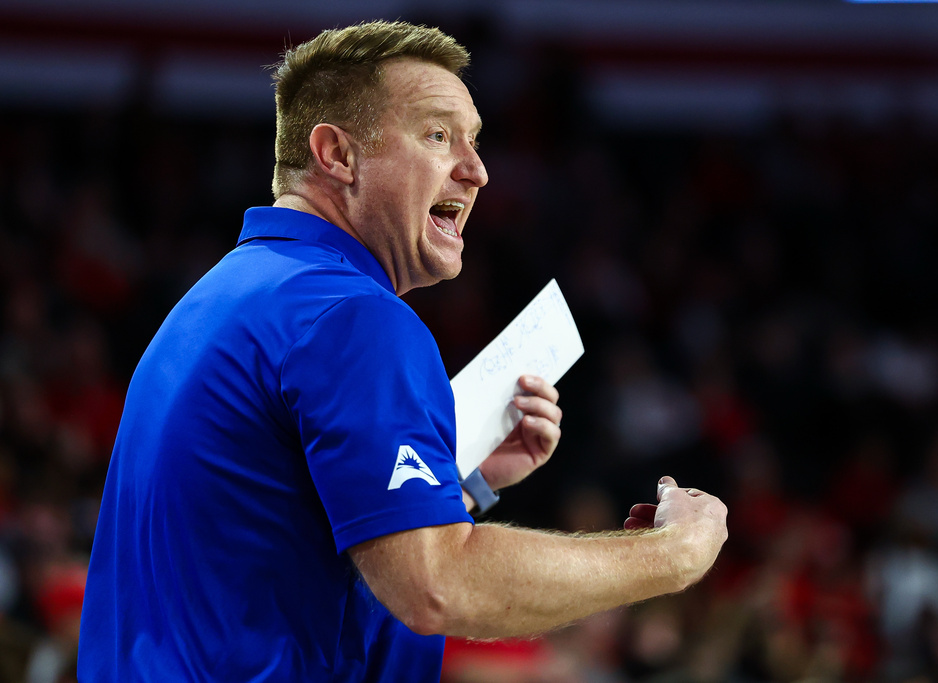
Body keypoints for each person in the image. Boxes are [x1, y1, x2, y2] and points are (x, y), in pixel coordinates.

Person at [78, 20, 728, 683]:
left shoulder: (223, 296)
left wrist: (463, 479)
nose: (476, 171)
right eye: (439, 135)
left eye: (476, 141)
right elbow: (436, 585)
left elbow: (268, 554)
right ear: (337, 154)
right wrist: (673, 554)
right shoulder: (352, 315)